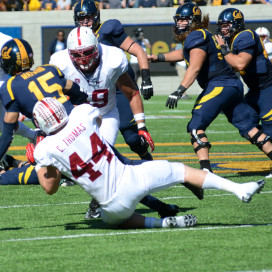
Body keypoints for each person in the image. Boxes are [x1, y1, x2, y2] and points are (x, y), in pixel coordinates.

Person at [33, 97, 265, 229]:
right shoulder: (82, 113)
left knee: (106, 218)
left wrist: (40, 164)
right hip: (133, 178)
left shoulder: (45, 149)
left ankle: (158, 224)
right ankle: (239, 188)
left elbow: (50, 188)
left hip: (114, 205)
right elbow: (98, 119)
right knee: (180, 170)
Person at [50, 27, 180, 219]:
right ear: (69, 54)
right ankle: (153, 203)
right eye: (78, 55)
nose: (84, 59)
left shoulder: (112, 59)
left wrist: (141, 126)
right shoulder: (60, 63)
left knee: (106, 165)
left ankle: (97, 204)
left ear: (96, 48)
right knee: (92, 169)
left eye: (87, 53)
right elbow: (51, 97)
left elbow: (131, 92)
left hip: (106, 115)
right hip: (77, 119)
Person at [148, 3, 272, 174]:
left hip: (222, 85)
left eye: (185, 20)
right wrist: (157, 57)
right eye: (179, 20)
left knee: (195, 126)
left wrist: (180, 90)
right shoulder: (203, 36)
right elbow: (183, 54)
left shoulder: (199, 35)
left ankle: (206, 171)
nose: (180, 24)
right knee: (248, 127)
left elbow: (195, 66)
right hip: (233, 86)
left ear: (194, 21)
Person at [73, 0, 154, 163]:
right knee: (85, 133)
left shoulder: (108, 29)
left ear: (96, 16)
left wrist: (146, 78)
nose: (85, 22)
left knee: (132, 138)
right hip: (97, 90)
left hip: (120, 87)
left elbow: (138, 50)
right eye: (81, 19)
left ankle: (147, 161)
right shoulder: (77, 38)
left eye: (88, 18)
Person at [0, 38, 88, 162]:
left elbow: (8, 133)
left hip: (58, 142)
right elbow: (80, 93)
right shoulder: (50, 69)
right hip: (80, 128)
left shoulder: (10, 86)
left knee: (28, 170)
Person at [215, 9, 272, 177]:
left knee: (269, 129)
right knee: (245, 125)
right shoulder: (233, 40)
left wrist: (224, 50)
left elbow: (240, 64)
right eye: (221, 26)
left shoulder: (245, 36)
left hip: (268, 88)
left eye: (226, 25)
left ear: (237, 24)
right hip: (254, 91)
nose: (223, 29)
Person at [0, 33, 38, 143]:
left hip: (3, 83)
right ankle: (34, 135)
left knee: (7, 124)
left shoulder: (4, 41)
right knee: (4, 125)